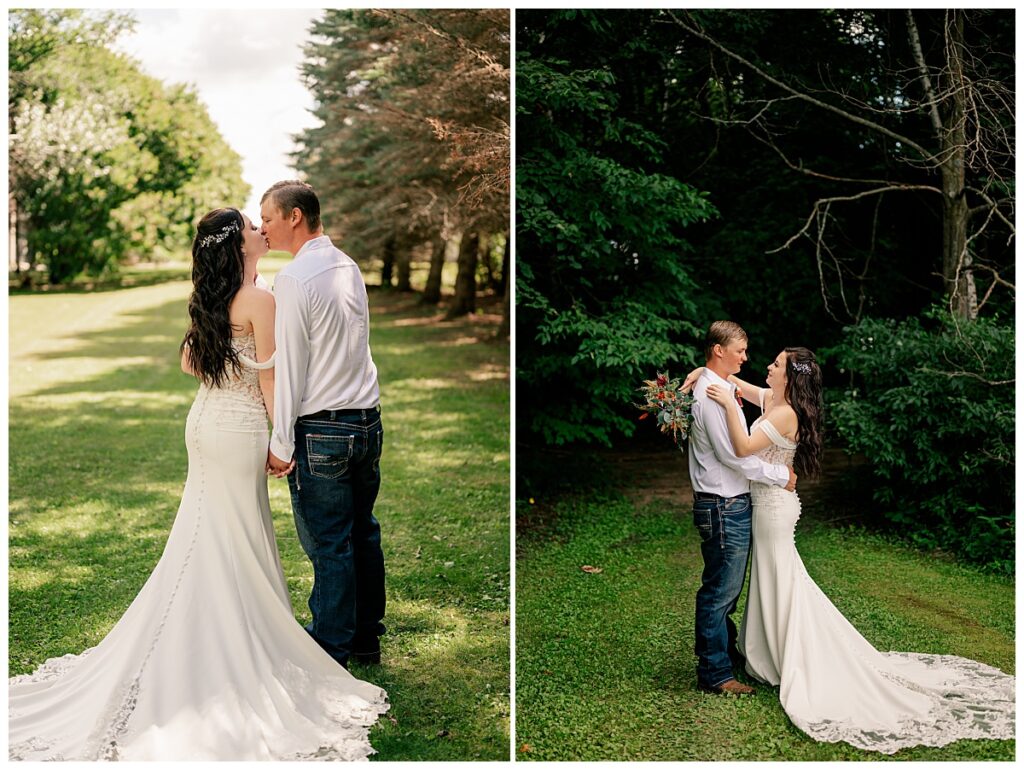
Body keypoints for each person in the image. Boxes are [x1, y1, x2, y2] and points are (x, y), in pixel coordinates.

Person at [9, 208, 388, 761]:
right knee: (235, 534)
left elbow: (192, 361)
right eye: (252, 229)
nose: (262, 232)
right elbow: (271, 379)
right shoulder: (260, 299)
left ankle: (201, 632)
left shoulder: (220, 296)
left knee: (209, 531)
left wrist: (231, 370)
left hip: (205, 423)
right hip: (238, 431)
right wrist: (281, 443)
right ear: (238, 247)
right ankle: (232, 643)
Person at [701, 346, 1015, 753]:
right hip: (767, 506)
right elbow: (741, 387)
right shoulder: (775, 400)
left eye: (775, 365)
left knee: (783, 580)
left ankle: (790, 656)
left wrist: (726, 402)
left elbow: (742, 447)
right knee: (775, 578)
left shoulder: (784, 413)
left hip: (773, 510)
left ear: (790, 377)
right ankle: (769, 654)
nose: (767, 367)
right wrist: (706, 375)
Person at [261, 181, 387, 669]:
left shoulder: (295, 278)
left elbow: (291, 366)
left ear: (295, 217)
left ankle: (331, 648)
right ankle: (365, 639)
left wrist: (281, 441)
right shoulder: (346, 266)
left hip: (325, 431)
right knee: (363, 532)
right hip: (366, 422)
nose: (264, 227)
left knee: (330, 542)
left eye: (268, 217)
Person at [683, 321, 796, 697]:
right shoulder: (711, 395)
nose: (746, 358)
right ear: (719, 351)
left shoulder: (719, 385)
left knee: (726, 591)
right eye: (740, 350)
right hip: (722, 504)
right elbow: (735, 457)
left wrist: (701, 370)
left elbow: (739, 393)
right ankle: (715, 674)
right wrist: (780, 475)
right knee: (719, 592)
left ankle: (725, 657)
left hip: (728, 503)